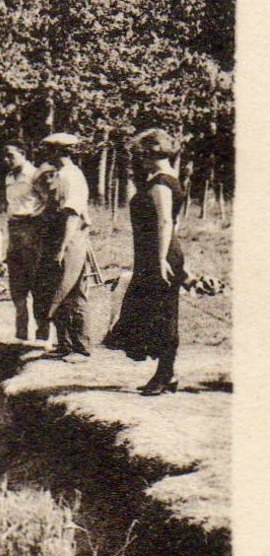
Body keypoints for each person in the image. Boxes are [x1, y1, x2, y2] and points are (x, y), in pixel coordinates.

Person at [104, 128, 186, 394]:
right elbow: (173, 224)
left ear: (152, 153)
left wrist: (162, 258)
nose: (139, 159)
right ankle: (165, 373)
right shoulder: (167, 179)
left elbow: (165, 221)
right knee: (155, 311)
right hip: (153, 254)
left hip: (157, 255)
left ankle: (165, 375)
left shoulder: (162, 182)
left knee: (162, 313)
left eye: (141, 154)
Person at [37, 132, 94, 362]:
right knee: (56, 289)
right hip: (56, 237)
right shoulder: (59, 175)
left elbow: (72, 215)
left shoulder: (72, 176)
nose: (47, 154)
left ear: (58, 151)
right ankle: (64, 344)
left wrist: (62, 247)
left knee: (71, 291)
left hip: (68, 238)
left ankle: (81, 347)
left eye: (49, 150)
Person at [3, 143, 49, 343]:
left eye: (11, 155)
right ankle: (21, 333)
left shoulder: (35, 175)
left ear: (22, 154)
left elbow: (47, 201)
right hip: (14, 229)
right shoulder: (9, 177)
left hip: (31, 229)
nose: (7, 160)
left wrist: (33, 217)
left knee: (36, 282)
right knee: (17, 282)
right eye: (5, 157)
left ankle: (42, 332)